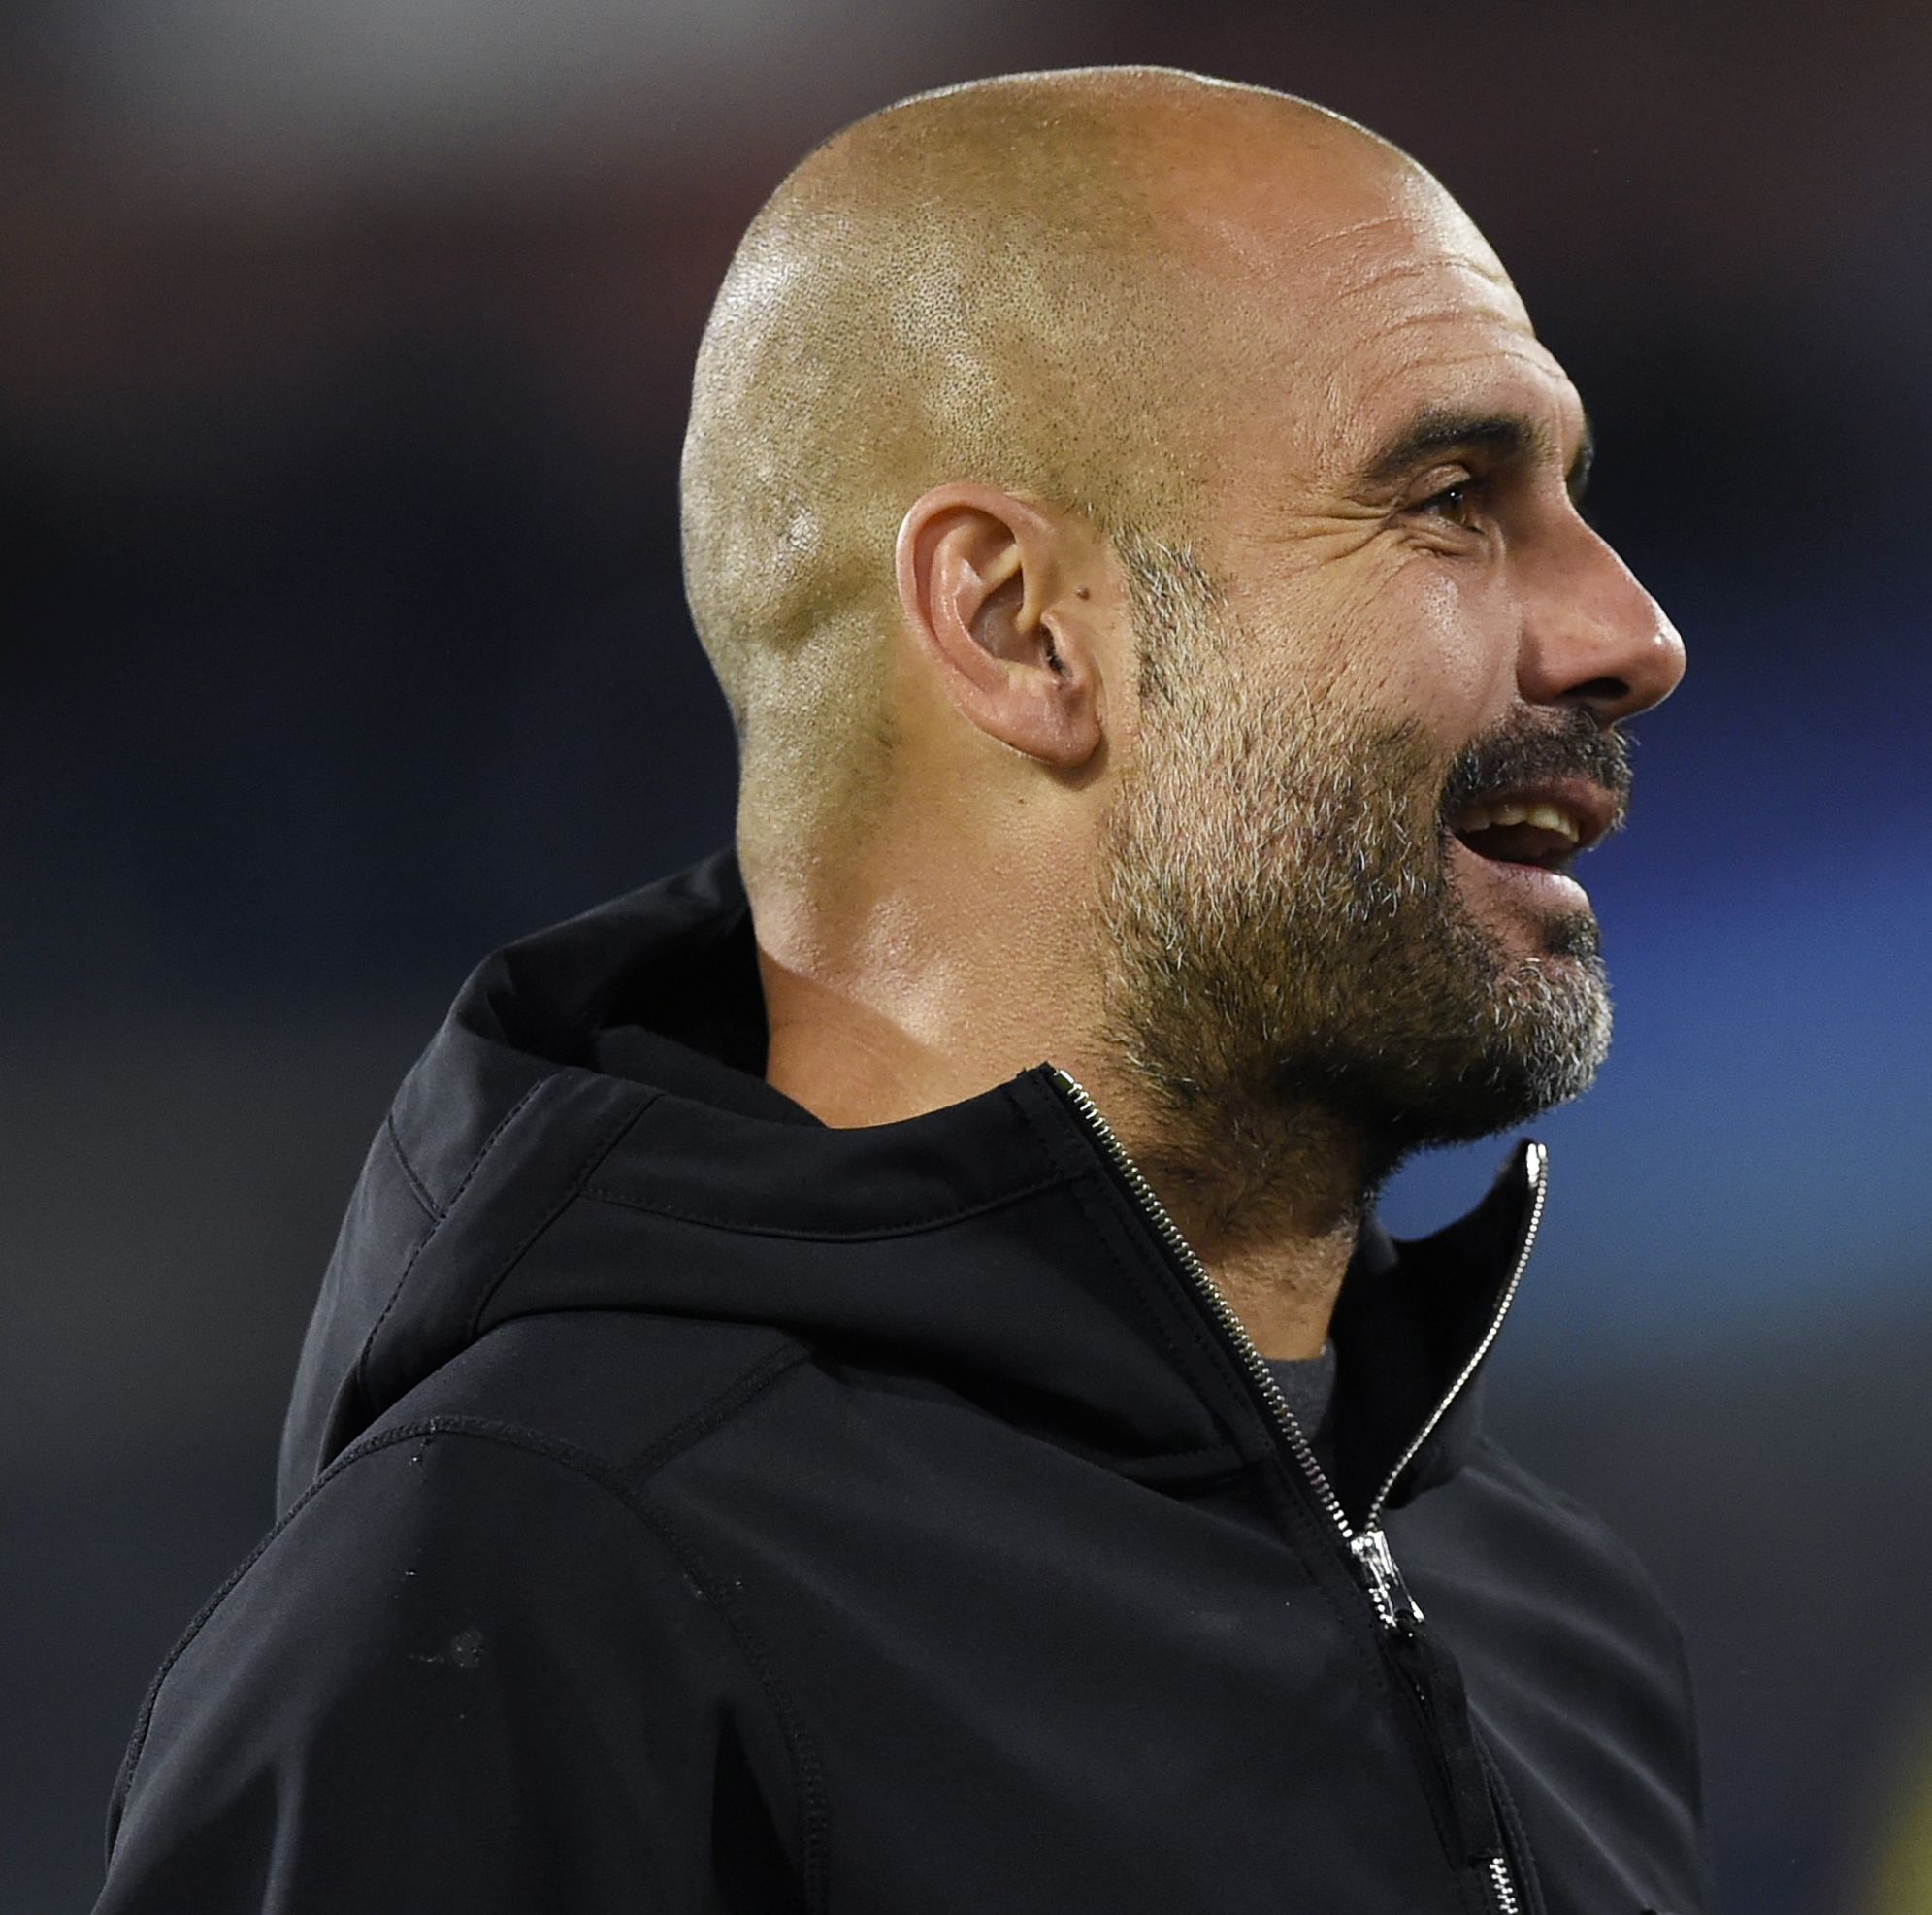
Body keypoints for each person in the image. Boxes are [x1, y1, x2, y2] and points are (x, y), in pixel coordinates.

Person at [97, 65, 1708, 1915]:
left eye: (1569, 498)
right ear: (1018, 625)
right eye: (1446, 499)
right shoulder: (531, 1609)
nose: (1632, 633)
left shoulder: (1551, 1619)